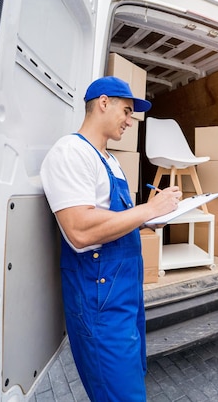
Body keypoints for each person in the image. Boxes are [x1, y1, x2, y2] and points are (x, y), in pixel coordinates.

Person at [40, 76, 182, 401]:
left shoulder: (111, 159)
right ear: (103, 102)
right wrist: (147, 211)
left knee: (131, 383)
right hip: (99, 302)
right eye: (127, 111)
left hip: (126, 297)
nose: (130, 121)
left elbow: (115, 220)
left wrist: (150, 220)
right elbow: (80, 231)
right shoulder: (71, 152)